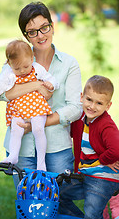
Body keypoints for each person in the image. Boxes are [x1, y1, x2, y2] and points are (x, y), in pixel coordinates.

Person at [0, 1, 82, 187]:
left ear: (52, 26)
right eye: (32, 32)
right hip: (22, 149)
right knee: (28, 203)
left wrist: (34, 124)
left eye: (44, 27)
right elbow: (2, 93)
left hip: (57, 146)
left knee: (61, 202)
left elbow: (75, 108)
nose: (40, 35)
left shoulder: (69, 63)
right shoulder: (16, 60)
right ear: (26, 36)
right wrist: (36, 85)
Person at [0, 39, 59, 171]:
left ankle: (41, 163)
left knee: (38, 129)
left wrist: (51, 85)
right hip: (18, 109)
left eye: (25, 66)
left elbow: (51, 78)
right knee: (16, 129)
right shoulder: (9, 73)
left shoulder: (37, 68)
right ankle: (13, 156)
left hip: (36, 107)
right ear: (9, 63)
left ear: (31, 58)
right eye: (17, 68)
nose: (22, 71)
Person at [58, 75, 119, 219]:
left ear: (107, 106)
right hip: (84, 174)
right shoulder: (79, 119)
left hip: (103, 177)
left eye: (99, 103)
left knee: (92, 213)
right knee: (55, 193)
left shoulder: (106, 125)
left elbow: (116, 149)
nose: (92, 106)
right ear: (82, 97)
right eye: (89, 100)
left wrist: (104, 160)